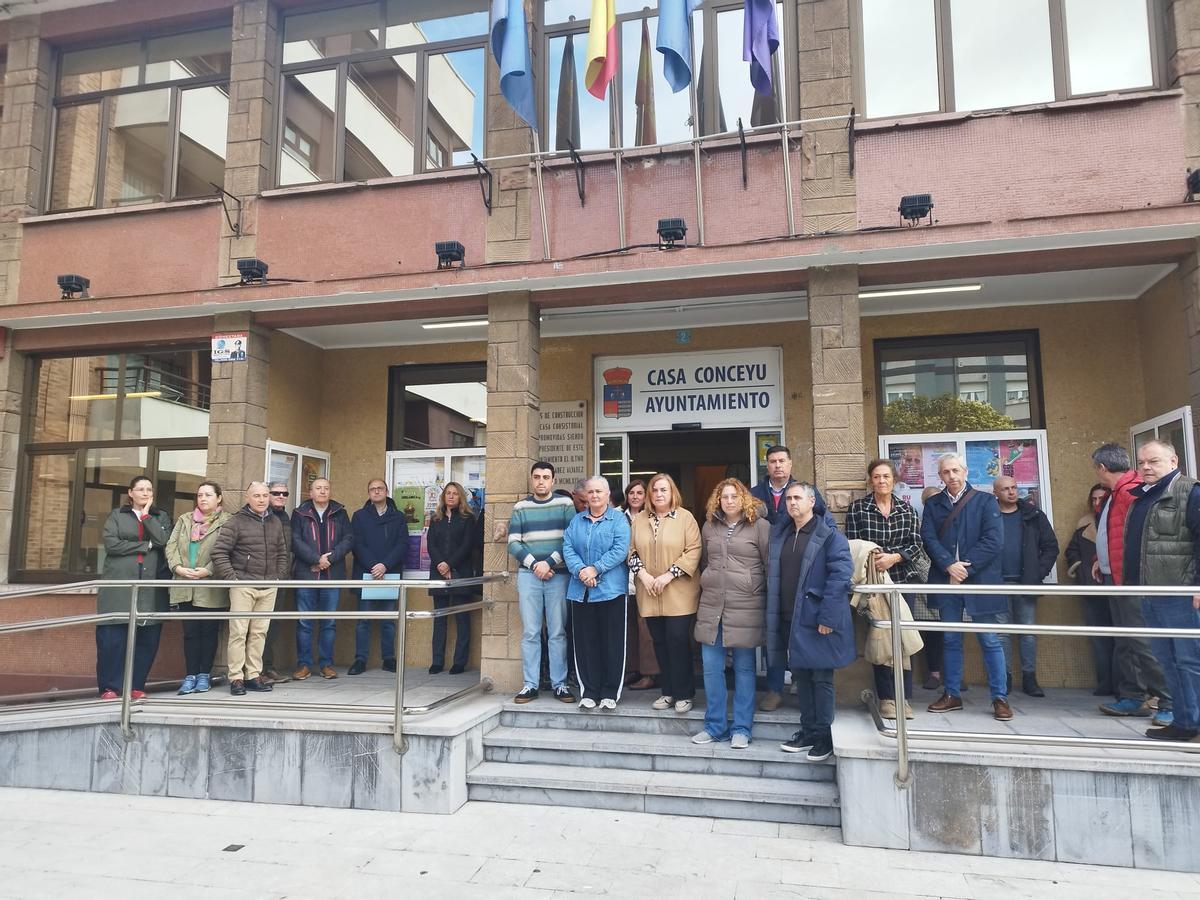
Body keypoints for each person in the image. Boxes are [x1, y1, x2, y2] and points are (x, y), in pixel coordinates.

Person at [921, 454, 1013, 721]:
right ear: (940, 476)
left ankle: (1000, 697)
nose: (951, 475)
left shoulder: (985, 501)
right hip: (946, 579)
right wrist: (949, 564)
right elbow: (927, 537)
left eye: (955, 470)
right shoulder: (934, 504)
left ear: (965, 471)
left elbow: (994, 541)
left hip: (979, 580)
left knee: (989, 639)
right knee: (950, 639)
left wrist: (965, 569)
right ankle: (952, 694)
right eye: (946, 472)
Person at [768, 482, 854, 762]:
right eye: (789, 498)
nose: (792, 503)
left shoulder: (830, 536)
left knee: (821, 678)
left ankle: (824, 736)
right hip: (789, 616)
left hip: (817, 619)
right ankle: (807, 731)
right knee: (801, 677)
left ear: (811, 501)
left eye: (797, 498)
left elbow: (840, 578)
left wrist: (828, 617)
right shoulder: (781, 535)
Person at [1121, 440, 1200, 742]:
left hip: (1180, 593)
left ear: (1173, 460)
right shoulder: (1144, 496)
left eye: (1153, 461)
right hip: (1151, 592)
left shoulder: (1189, 492)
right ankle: (1185, 722)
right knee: (1167, 659)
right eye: (1141, 462)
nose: (1146, 467)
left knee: (1190, 661)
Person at [749, 444, 837, 712]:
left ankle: (800, 682)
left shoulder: (806, 492)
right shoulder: (754, 494)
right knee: (774, 633)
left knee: (801, 633)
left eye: (782, 461)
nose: (777, 465)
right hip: (769, 571)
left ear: (790, 464)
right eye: (772, 461)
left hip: (802, 569)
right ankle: (774, 689)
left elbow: (826, 524)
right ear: (767, 465)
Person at [1091, 443, 1172, 724]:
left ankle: (1168, 701)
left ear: (1102, 468)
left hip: (1130, 579)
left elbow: (1139, 536)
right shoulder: (1117, 493)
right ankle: (1134, 697)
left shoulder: (1131, 491)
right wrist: (1100, 560)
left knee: (1141, 640)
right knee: (1126, 640)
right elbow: (1114, 534)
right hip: (1113, 575)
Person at [693, 478, 771, 748]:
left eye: (734, 496)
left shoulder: (760, 526)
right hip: (713, 605)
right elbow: (706, 563)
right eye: (724, 496)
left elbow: (768, 564)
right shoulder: (708, 527)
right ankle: (715, 726)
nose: (729, 501)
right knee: (712, 669)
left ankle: (741, 728)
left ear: (743, 499)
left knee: (744, 669)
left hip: (746, 606)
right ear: (718, 500)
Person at [845, 459, 923, 719]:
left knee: (903, 639)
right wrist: (874, 559)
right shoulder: (858, 509)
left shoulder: (907, 510)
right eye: (877, 477)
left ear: (894, 480)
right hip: (874, 585)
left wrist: (895, 557)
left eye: (886, 476)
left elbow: (916, 544)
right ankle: (887, 698)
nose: (881, 481)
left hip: (902, 580)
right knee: (881, 640)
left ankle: (905, 698)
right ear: (870, 481)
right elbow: (851, 544)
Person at [629, 473, 703, 714]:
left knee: (678, 640)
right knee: (658, 642)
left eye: (664, 490)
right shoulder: (639, 519)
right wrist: (644, 576)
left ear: (673, 493)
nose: (659, 494)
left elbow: (694, 550)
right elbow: (631, 552)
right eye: (655, 490)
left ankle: (684, 693)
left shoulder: (685, 518)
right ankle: (668, 692)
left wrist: (668, 575)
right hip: (649, 590)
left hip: (678, 592)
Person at [95, 475, 173, 700]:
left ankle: (136, 685)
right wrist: (145, 545)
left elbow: (162, 540)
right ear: (130, 493)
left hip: (151, 587)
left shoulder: (160, 517)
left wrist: (147, 516)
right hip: (119, 587)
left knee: (147, 640)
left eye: (149, 489)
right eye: (140, 489)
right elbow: (112, 544)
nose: (145, 493)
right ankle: (110, 687)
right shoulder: (117, 515)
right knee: (112, 640)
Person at [210, 482, 291, 695]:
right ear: (248, 497)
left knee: (259, 633)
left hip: (268, 585)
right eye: (257, 495)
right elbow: (219, 553)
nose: (262, 499)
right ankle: (236, 677)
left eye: (265, 495)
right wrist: (233, 579)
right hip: (243, 585)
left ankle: (253, 675)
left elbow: (283, 553)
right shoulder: (235, 521)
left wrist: (278, 577)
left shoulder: (275, 522)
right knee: (238, 632)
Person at [507, 461, 577, 704]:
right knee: (530, 633)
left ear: (553, 480)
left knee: (558, 632)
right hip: (529, 577)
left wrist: (548, 562)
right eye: (537, 477)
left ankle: (560, 684)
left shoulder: (565, 504)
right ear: (531, 479)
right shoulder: (521, 507)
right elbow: (513, 542)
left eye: (546, 477)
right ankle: (530, 685)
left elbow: (570, 539)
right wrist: (535, 565)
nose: (541, 481)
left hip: (558, 576)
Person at [563, 476, 631, 709]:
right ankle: (589, 691)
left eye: (599, 492)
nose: (594, 496)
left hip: (611, 591)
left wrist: (596, 568)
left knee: (612, 642)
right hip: (581, 591)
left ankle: (610, 692)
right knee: (585, 642)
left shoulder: (619, 520)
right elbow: (568, 548)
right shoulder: (577, 521)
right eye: (590, 492)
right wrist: (581, 570)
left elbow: (620, 550)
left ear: (607, 495)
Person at [993, 475, 1059, 698]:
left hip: (1025, 583)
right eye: (1005, 489)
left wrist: (1037, 573)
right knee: (1001, 634)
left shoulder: (1033, 514)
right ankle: (1005, 678)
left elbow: (1051, 546)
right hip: (997, 583)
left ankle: (1030, 678)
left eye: (1014, 487)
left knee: (1028, 633)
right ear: (996, 493)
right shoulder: (989, 515)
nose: (1011, 492)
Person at [166, 480, 231, 695]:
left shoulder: (227, 521)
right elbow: (171, 546)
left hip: (210, 586)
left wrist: (208, 570)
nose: (203, 498)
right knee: (190, 633)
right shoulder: (185, 520)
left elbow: (229, 551)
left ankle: (204, 675)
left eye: (208, 495)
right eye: (200, 495)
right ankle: (190, 675)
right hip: (185, 584)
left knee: (209, 632)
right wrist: (178, 567)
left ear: (219, 498)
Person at [291, 477, 354, 681]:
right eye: (318, 488)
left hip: (332, 574)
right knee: (304, 622)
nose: (323, 491)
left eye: (326, 488)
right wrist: (315, 559)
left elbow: (348, 539)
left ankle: (326, 664)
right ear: (310, 492)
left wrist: (330, 559)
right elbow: (295, 541)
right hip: (306, 574)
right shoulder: (300, 513)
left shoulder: (340, 512)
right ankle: (304, 665)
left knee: (329, 622)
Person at [348, 478, 409, 676]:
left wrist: (385, 565)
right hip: (367, 573)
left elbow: (402, 545)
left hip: (389, 574)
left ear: (386, 491)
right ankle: (360, 659)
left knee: (388, 620)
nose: (376, 492)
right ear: (369, 493)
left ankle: (389, 658)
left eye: (380, 489)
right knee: (363, 619)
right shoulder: (359, 516)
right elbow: (357, 544)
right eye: (372, 489)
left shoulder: (398, 517)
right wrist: (374, 566)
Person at [1066, 484, 1116, 697]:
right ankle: (1105, 683)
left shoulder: (1118, 520)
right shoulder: (1084, 524)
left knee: (1123, 639)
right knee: (1099, 638)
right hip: (1091, 587)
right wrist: (1080, 569)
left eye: (1101, 499)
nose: (1097, 503)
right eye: (1093, 499)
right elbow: (1071, 551)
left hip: (1116, 588)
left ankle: (1127, 687)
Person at [426, 481, 477, 675]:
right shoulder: (436, 518)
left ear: (460, 497)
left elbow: (466, 545)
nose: (451, 496)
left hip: (459, 573)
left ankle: (459, 662)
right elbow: (431, 544)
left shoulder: (467, 518)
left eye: (455, 493)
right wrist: (441, 564)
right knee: (439, 619)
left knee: (461, 618)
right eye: (448, 493)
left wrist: (450, 564)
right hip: (438, 573)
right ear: (443, 496)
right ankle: (437, 661)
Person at [621, 480, 660, 691]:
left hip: (646, 579)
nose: (635, 497)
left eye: (640, 493)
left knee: (646, 631)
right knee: (629, 630)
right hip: (623, 581)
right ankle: (632, 670)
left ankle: (650, 674)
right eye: (631, 493)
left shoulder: (651, 517)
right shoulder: (618, 515)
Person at [260, 481, 293, 684]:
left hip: (280, 579)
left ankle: (268, 666)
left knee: (272, 625)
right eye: (276, 493)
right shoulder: (260, 516)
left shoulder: (285, 517)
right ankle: (256, 670)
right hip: (258, 579)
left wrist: (283, 574)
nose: (281, 496)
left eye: (284, 493)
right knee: (256, 626)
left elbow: (287, 549)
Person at [914, 485, 944, 690]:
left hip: (953, 583)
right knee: (932, 632)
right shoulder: (920, 526)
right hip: (928, 584)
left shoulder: (954, 522)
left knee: (953, 631)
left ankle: (953, 674)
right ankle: (934, 673)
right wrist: (932, 578)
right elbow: (918, 556)